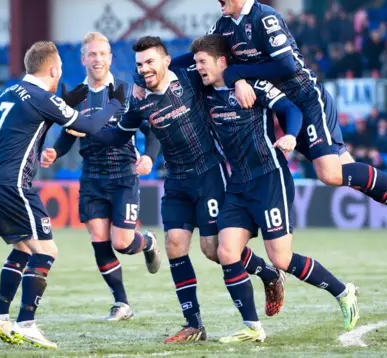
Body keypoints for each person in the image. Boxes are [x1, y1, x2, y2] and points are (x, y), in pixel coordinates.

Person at [163, 0, 387, 250]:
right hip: (286, 109)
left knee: (330, 173)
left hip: (308, 100)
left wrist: (238, 74)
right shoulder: (223, 26)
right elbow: (199, 58)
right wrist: (165, 66)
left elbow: (285, 66)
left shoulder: (264, 17)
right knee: (349, 174)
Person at [91, 36, 285, 343]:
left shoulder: (190, 77)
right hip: (177, 180)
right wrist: (82, 126)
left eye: (151, 62)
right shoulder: (139, 99)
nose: (144, 70)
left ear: (167, 61)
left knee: (213, 250)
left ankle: (268, 273)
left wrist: (241, 81)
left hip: (209, 173)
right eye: (139, 65)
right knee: (174, 247)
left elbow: (222, 66)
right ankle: (194, 323)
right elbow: (118, 135)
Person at [191, 33, 360, 342]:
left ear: (222, 62)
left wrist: (292, 135)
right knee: (226, 251)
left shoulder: (253, 86)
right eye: (196, 63)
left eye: (203, 62)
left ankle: (343, 291)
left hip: (270, 179)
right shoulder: (203, 93)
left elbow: (292, 110)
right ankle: (252, 328)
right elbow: (173, 68)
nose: (198, 67)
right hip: (238, 184)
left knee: (282, 258)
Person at [0, 41, 126, 350]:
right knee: (47, 250)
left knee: (24, 248)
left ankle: (1, 315)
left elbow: (35, 119)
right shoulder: (43, 98)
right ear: (54, 69)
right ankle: (26, 322)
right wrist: (115, 105)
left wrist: (64, 101)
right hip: (12, 183)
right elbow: (89, 125)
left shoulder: (10, 91)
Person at [39, 32, 162, 321]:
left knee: (121, 242)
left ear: (110, 58)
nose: (97, 59)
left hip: (123, 176)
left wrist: (149, 157)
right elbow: (70, 133)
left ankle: (147, 242)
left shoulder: (126, 91)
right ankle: (122, 304)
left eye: (102, 54)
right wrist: (55, 152)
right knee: (98, 236)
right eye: (92, 54)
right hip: (92, 176)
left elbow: (152, 130)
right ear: (83, 59)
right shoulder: (74, 96)